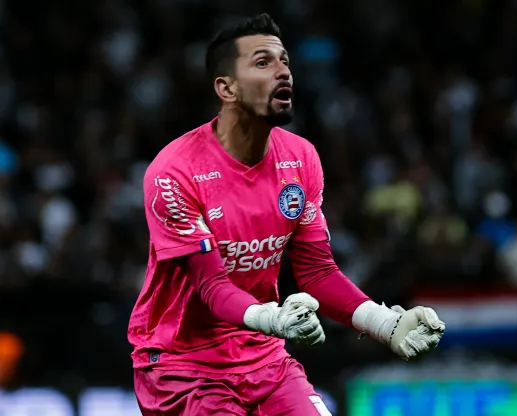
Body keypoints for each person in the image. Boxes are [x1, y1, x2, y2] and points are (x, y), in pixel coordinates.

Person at [128, 13, 446, 416]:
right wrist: (275, 319)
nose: (283, 72)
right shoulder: (174, 171)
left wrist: (385, 324)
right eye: (263, 62)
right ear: (226, 87)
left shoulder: (300, 158)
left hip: (264, 360)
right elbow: (211, 288)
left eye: (285, 61)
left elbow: (317, 273)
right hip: (182, 366)